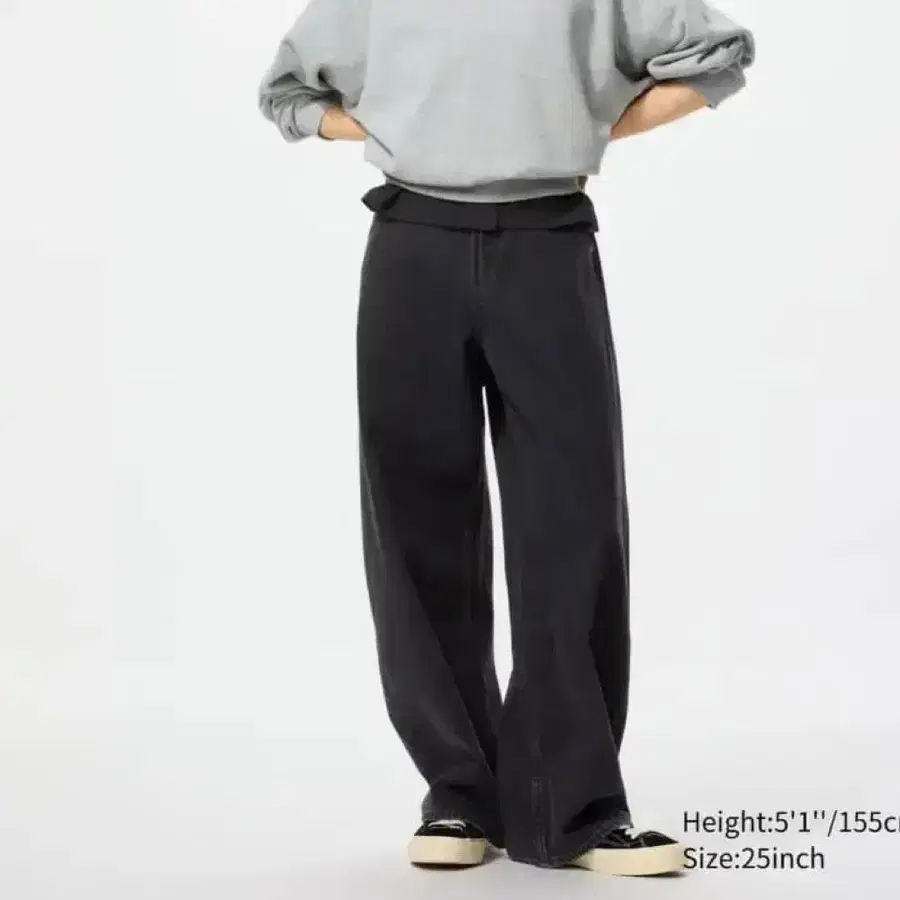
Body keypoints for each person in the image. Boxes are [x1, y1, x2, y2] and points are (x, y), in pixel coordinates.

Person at [258, 0, 754, 877]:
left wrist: (581, 123)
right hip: (412, 242)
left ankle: (578, 808)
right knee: (417, 521)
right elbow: (289, 93)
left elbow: (718, 56)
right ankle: (460, 793)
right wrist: (403, 128)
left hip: (547, 243)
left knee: (572, 522)